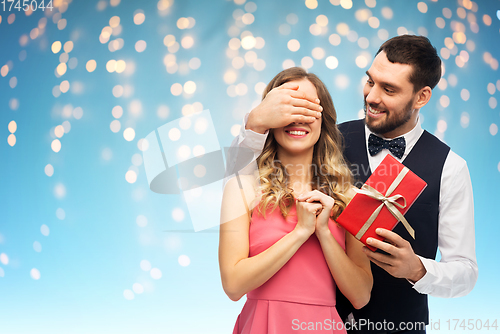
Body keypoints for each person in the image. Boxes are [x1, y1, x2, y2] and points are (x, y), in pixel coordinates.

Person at [227, 35, 478, 334]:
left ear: (421, 97)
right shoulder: (325, 141)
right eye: (370, 81)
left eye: (389, 89)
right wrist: (255, 123)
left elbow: (466, 271)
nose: (372, 97)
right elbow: (243, 180)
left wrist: (418, 269)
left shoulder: (449, 167)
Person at [219, 67, 373, 334]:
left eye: (308, 109)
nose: (297, 119)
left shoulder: (350, 198)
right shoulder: (242, 188)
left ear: (324, 121)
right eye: (288, 108)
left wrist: (323, 231)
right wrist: (300, 232)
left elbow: (360, 296)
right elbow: (233, 285)